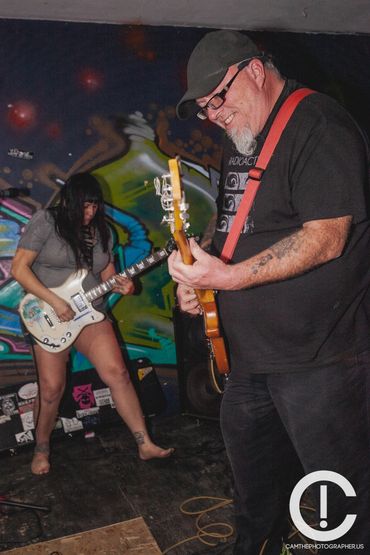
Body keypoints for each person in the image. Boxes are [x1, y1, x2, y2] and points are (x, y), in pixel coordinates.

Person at [168, 30, 370, 554]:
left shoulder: (319, 124)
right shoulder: (245, 139)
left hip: (318, 361)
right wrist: (201, 274)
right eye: (204, 107)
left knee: (338, 502)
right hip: (250, 362)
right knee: (254, 496)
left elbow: (327, 238)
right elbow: (235, 224)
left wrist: (228, 278)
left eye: (219, 97)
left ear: (254, 70)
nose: (213, 113)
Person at [12, 172, 173, 475]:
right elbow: (20, 269)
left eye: (94, 206)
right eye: (84, 207)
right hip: (48, 315)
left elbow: (107, 275)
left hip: (90, 313)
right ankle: (41, 448)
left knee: (118, 373)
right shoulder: (46, 222)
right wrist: (56, 302)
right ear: (70, 202)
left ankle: (145, 444)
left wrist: (123, 285)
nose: (90, 213)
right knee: (51, 389)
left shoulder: (103, 232)